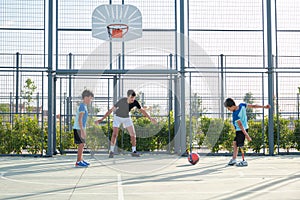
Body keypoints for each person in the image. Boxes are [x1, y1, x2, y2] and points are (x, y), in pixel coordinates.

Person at [95, 89, 157, 158]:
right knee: (115, 134)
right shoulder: (122, 101)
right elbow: (111, 110)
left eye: (134, 98)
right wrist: (101, 119)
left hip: (127, 118)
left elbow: (142, 111)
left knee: (133, 135)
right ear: (127, 97)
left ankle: (134, 151)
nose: (133, 99)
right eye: (131, 97)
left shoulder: (135, 102)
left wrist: (150, 118)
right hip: (117, 117)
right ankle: (111, 151)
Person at [224, 98, 270, 166]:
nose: (228, 110)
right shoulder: (242, 105)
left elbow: (240, 125)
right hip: (242, 129)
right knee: (235, 143)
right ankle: (234, 159)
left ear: (232, 106)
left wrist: (247, 135)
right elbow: (253, 106)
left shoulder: (235, 114)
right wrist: (264, 107)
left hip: (241, 130)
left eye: (228, 108)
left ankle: (243, 160)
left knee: (241, 145)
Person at [73, 89, 94, 167]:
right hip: (79, 128)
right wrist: (82, 130)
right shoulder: (82, 106)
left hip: (81, 128)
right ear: (85, 97)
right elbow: (80, 119)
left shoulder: (84, 106)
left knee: (82, 144)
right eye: (90, 98)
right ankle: (78, 162)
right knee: (81, 144)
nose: (90, 100)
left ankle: (81, 160)